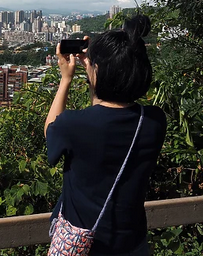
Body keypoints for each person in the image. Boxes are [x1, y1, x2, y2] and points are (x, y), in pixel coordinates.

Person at [44, 15, 166, 255]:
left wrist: (66, 79)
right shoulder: (153, 120)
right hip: (134, 245)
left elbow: (50, 131)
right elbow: (106, 113)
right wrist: (98, 64)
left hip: (86, 246)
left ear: (97, 72)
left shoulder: (74, 125)